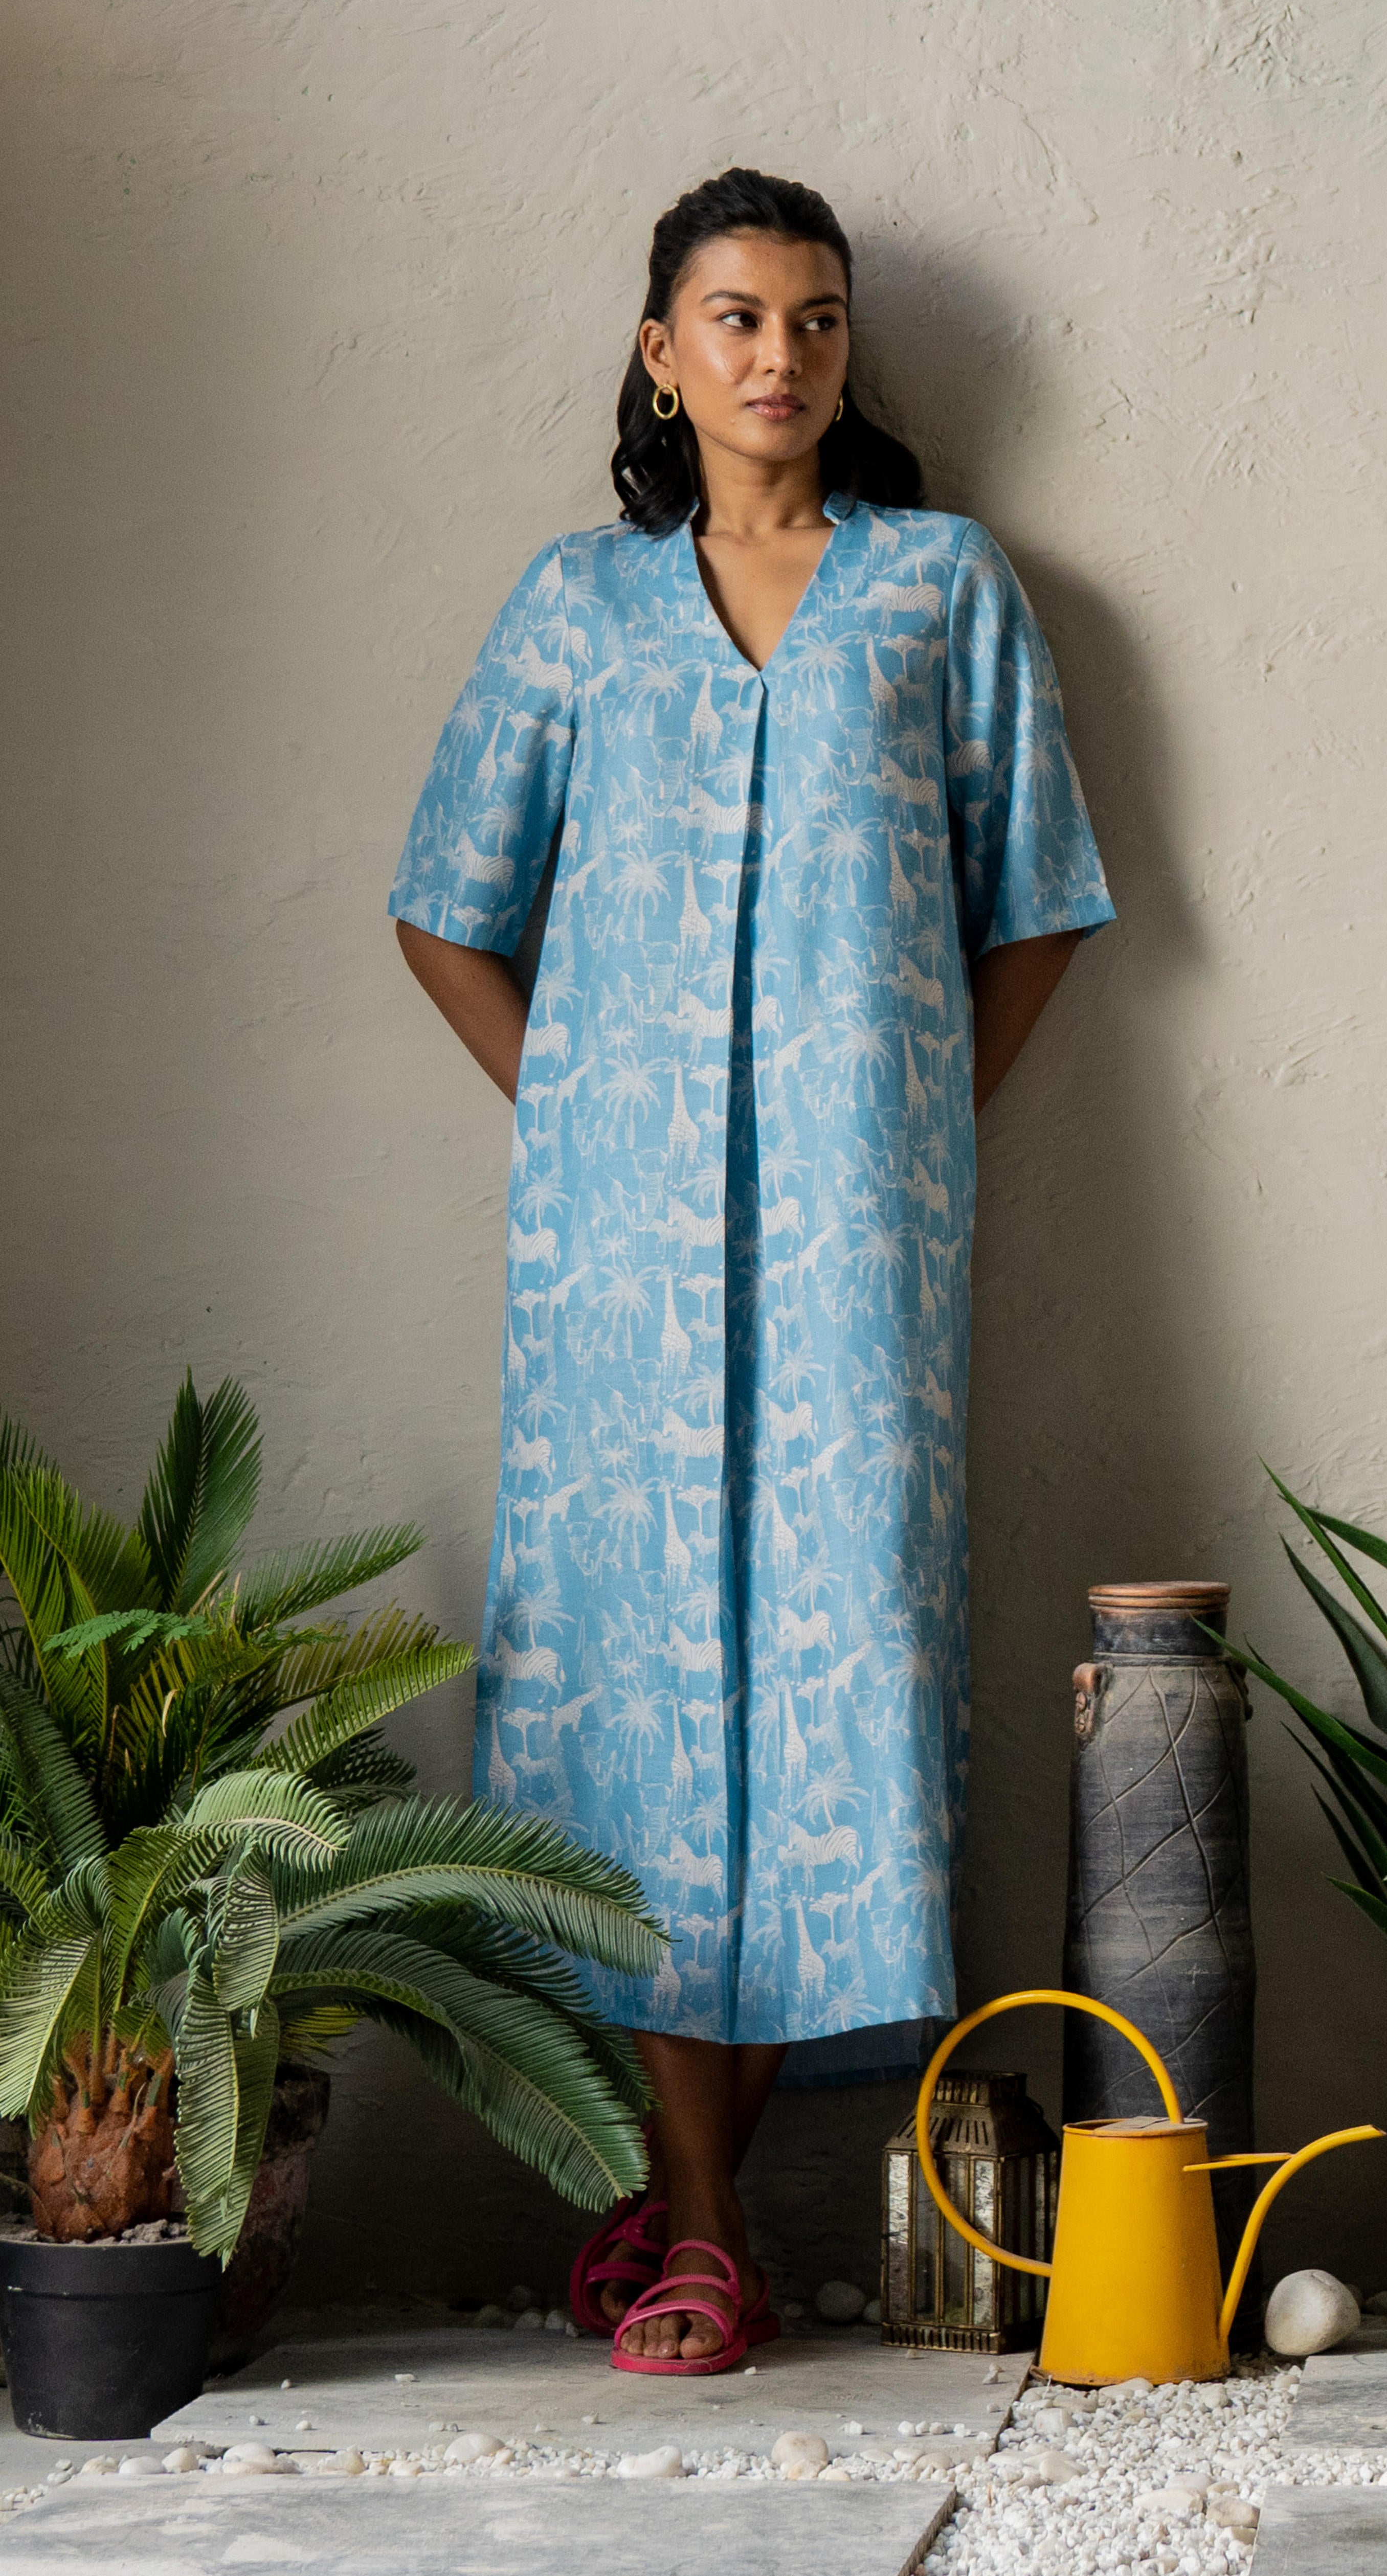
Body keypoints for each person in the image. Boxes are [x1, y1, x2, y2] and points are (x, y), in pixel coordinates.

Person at [390, 165, 1114, 2375]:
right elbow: (446, 902)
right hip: (609, 1256)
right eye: (733, 316)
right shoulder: (576, 607)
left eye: (812, 318)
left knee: (829, 1669)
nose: (778, 355)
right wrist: (579, 1116)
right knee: (624, 1688)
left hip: (858, 1242)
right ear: (660, 352)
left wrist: (912, 1122)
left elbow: (1037, 901)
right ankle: (704, 2220)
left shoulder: (939, 588)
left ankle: (687, 2205)